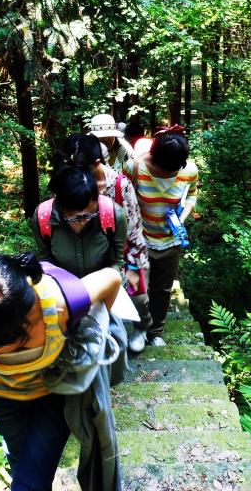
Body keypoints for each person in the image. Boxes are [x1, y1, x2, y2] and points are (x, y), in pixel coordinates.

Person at [0, 253, 121, 491]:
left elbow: (112, 278)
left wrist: (92, 331)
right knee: (19, 459)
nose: (38, 319)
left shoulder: (64, 303)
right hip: (2, 397)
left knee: (31, 482)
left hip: (53, 393)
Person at [51, 134, 151, 352]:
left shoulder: (120, 185)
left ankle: (142, 328)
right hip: (83, 252)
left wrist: (133, 267)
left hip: (118, 255)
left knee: (138, 298)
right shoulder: (67, 184)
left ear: (96, 163)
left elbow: (134, 229)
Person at [122, 126, 198, 348]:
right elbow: (123, 199)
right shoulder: (134, 168)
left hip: (170, 241)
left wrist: (182, 218)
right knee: (138, 290)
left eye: (175, 170)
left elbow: (192, 195)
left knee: (162, 290)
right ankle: (139, 329)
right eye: (165, 170)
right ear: (154, 158)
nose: (169, 174)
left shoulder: (189, 170)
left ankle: (155, 333)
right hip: (138, 241)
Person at [30, 163, 127, 279]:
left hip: (105, 283)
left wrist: (99, 284)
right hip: (63, 284)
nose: (83, 221)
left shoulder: (113, 214)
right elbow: (46, 261)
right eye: (75, 217)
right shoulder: (43, 217)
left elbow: (116, 261)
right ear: (60, 207)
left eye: (90, 214)